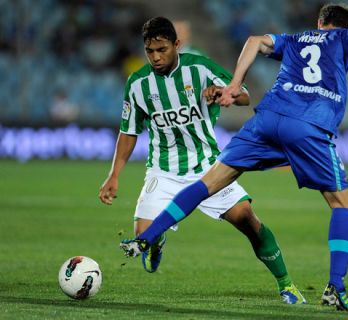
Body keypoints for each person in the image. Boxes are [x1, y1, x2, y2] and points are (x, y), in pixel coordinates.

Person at [120, 5, 348, 311]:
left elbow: (254, 41)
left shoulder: (295, 38)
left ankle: (146, 238)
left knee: (210, 181)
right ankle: (336, 288)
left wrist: (234, 84)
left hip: (267, 118)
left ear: (318, 23)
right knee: (342, 203)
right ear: (342, 28)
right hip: (308, 124)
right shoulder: (343, 37)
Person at [98, 17, 305, 305]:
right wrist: (114, 174)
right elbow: (128, 131)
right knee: (143, 238)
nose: (156, 57)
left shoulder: (200, 68)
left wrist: (223, 93)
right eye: (150, 51)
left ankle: (287, 285)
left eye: (162, 49)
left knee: (248, 220)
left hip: (208, 168)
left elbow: (243, 96)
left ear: (177, 45)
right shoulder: (137, 84)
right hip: (163, 170)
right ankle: (156, 242)